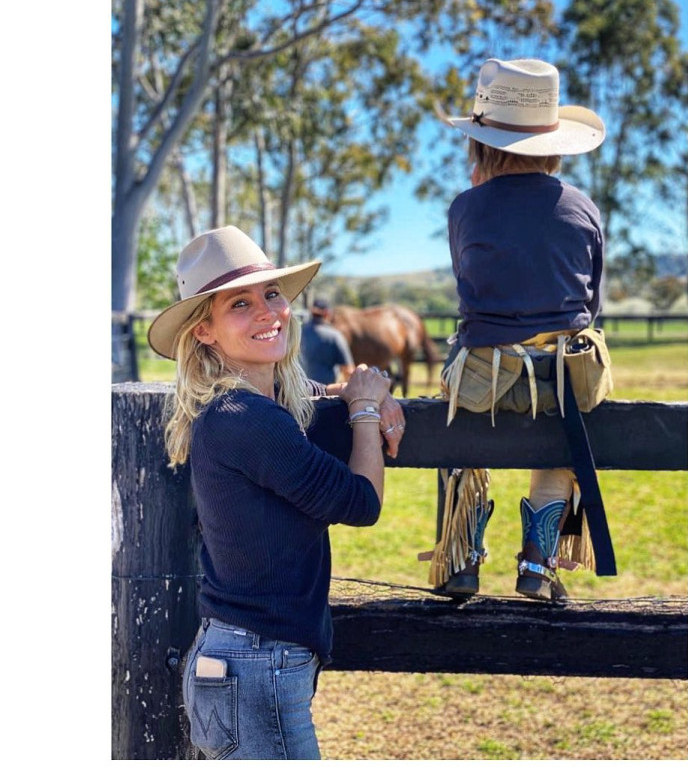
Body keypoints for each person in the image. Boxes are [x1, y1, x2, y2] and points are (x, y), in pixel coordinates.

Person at [147, 225, 405, 759]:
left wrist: (356, 389)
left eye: (271, 295)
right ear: (205, 332)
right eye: (239, 304)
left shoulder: (250, 402)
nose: (268, 312)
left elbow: (310, 393)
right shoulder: (246, 418)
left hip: (246, 662)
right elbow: (361, 502)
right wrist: (363, 410)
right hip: (256, 666)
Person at [429, 58, 616, 601]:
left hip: (487, 378)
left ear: (481, 146)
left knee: (453, 416)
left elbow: (473, 290)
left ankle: (462, 554)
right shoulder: (582, 207)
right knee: (560, 441)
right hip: (566, 380)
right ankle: (538, 561)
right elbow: (590, 302)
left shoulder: (465, 207)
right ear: (553, 143)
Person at [300, 297, 355, 384]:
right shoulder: (335, 336)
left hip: (301, 388)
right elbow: (348, 370)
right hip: (326, 391)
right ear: (327, 313)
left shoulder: (299, 332)